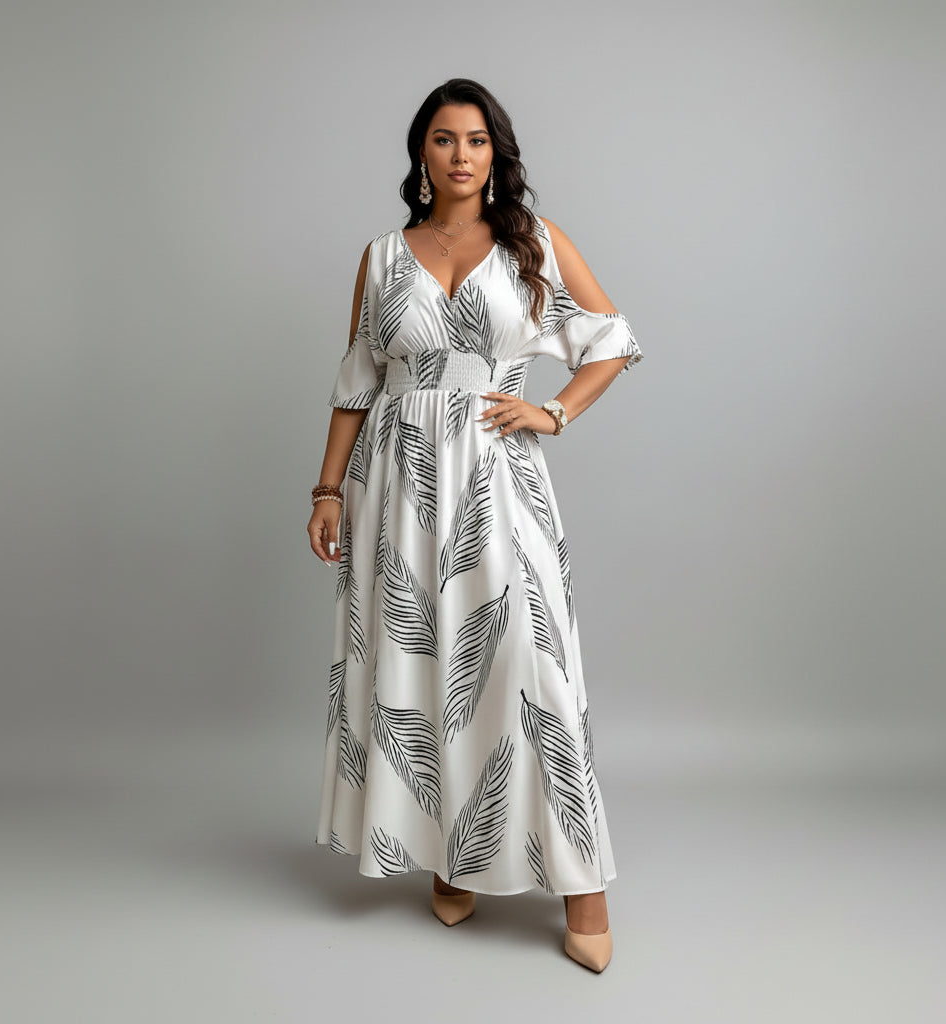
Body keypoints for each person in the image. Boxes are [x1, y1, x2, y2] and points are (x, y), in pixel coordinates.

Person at [308, 78, 643, 973]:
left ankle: (583, 887)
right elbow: (356, 380)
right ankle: (452, 857)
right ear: (422, 151)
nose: (462, 155)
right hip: (397, 486)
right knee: (425, 668)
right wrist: (328, 490)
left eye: (478, 140)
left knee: (532, 668)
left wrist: (554, 411)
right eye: (446, 139)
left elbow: (611, 338)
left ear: (497, 154)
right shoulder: (382, 257)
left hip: (497, 479)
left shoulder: (535, 242)